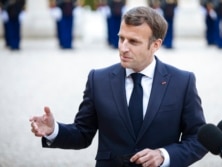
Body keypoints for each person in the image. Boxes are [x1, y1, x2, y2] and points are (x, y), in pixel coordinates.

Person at [30, 6, 208, 167]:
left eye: (133, 41)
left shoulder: (182, 81)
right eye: (121, 38)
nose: (123, 48)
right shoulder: (98, 79)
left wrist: (164, 155)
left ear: (155, 45)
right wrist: (54, 130)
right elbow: (83, 133)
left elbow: (199, 139)